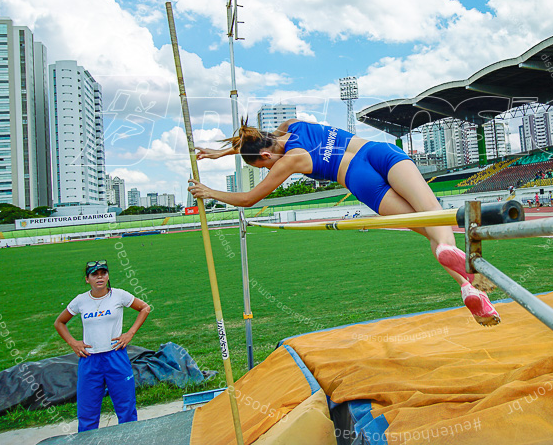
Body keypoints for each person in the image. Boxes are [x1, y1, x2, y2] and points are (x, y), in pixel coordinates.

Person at [188, 119, 501, 326]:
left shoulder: (289, 160)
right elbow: (255, 141)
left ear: (266, 157)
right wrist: (221, 153)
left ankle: (467, 286)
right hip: (379, 153)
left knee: (430, 230)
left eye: (263, 164)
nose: (268, 165)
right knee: (435, 215)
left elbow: (249, 199)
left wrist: (210, 191)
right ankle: (461, 269)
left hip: (358, 178)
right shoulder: (291, 125)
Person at [54, 261, 152, 432]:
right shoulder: (81, 300)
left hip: (116, 357)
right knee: (87, 411)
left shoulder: (119, 295)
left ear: (108, 276)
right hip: (90, 360)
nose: (99, 277)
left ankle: (131, 444)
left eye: (103, 273)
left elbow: (145, 308)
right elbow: (59, 322)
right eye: (94, 274)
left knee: (126, 407)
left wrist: (129, 333)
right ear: (87, 279)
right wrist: (73, 342)